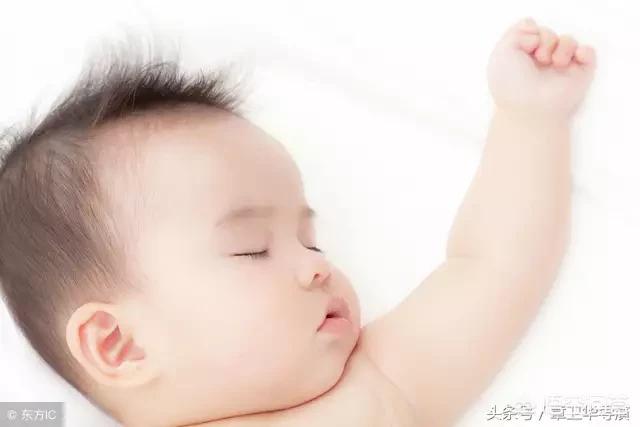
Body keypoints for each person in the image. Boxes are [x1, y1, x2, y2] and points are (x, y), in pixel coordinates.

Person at [0, 17, 596, 427]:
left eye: (312, 242)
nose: (317, 267)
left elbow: (492, 268)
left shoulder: (372, 394)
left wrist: (529, 121)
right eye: (251, 248)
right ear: (118, 343)